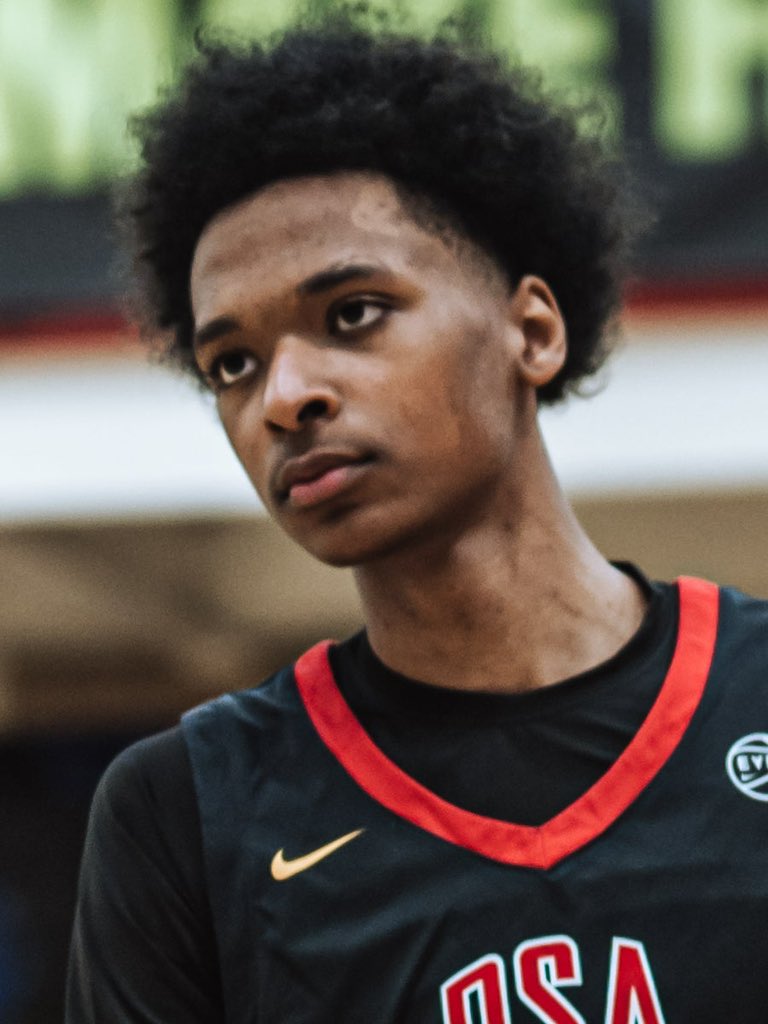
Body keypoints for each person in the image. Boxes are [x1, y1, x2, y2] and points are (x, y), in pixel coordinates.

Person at [66, 12, 768, 1024]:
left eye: (352, 313)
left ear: (533, 331)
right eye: (233, 364)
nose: (284, 397)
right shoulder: (186, 812)